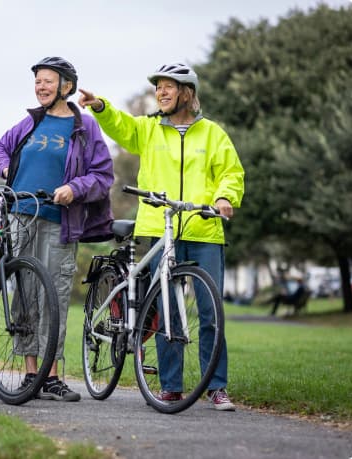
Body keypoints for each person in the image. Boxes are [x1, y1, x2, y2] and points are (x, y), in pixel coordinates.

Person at [78, 63, 245, 411]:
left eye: (170, 87)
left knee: (210, 313)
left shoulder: (213, 134)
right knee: (167, 311)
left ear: (187, 93)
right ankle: (170, 386)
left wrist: (225, 197)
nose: (162, 93)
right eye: (159, 88)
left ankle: (217, 387)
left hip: (204, 230)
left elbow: (230, 172)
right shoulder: (150, 129)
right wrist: (101, 107)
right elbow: (123, 127)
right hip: (160, 228)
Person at [0, 57, 114, 402]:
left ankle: (52, 376)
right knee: (26, 296)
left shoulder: (84, 126)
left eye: (48, 81)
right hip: (20, 216)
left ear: (66, 87)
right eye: (37, 82)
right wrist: (5, 168)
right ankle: (32, 374)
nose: (41, 87)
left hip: (60, 222)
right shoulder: (30, 123)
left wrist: (75, 188)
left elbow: (103, 176)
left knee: (53, 298)